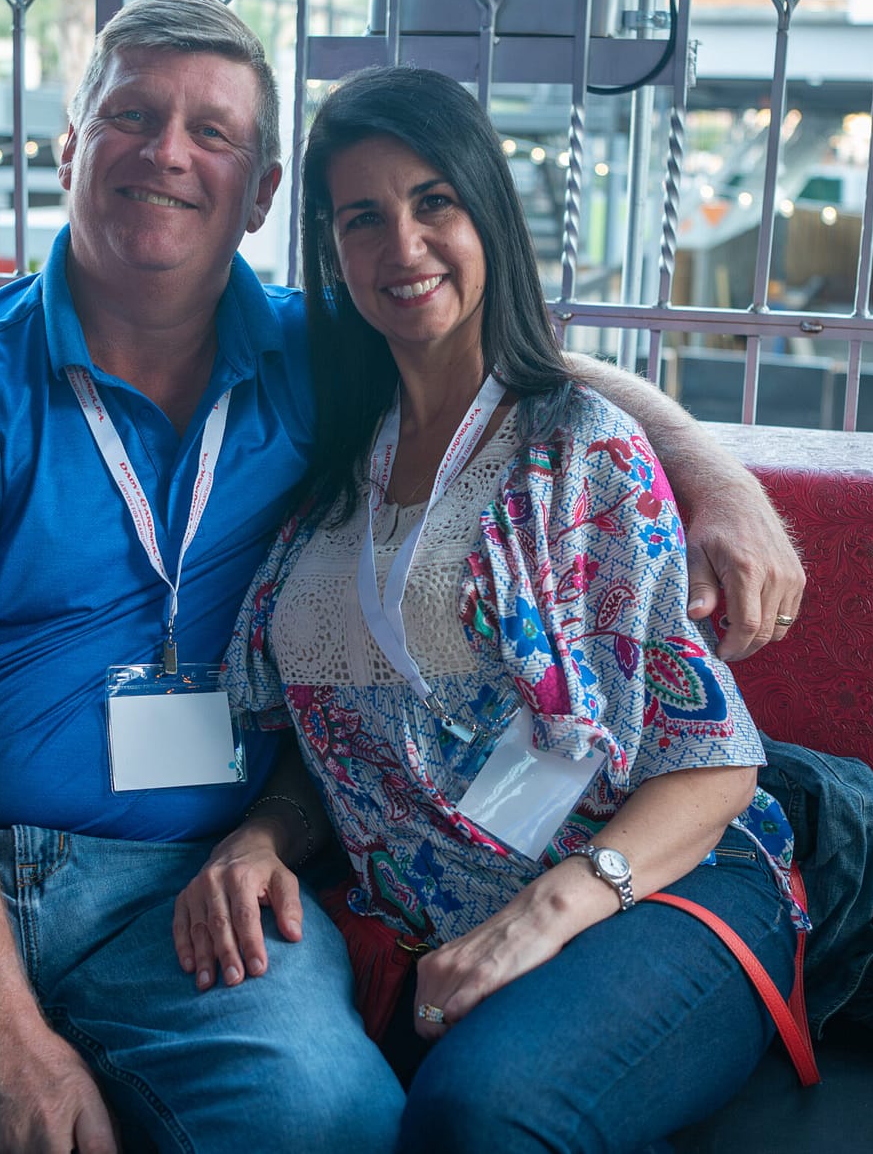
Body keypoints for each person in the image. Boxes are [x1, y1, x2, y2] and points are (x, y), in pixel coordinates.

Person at [0, 0, 802, 1154]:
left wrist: (712, 477)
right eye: (132, 115)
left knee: (335, 1124)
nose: (167, 152)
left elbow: (513, 358)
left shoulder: (321, 353)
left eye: (212, 132)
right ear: (70, 147)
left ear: (264, 192)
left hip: (187, 884)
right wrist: (3, 1037)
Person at [181, 64, 808, 1153]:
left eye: (435, 201)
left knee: (480, 1111)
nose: (403, 245)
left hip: (653, 883)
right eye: (363, 217)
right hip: (432, 910)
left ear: (489, 215)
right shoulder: (330, 461)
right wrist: (264, 831)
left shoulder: (580, 453)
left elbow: (713, 762)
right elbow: (351, 736)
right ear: (331, 249)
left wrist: (541, 917)